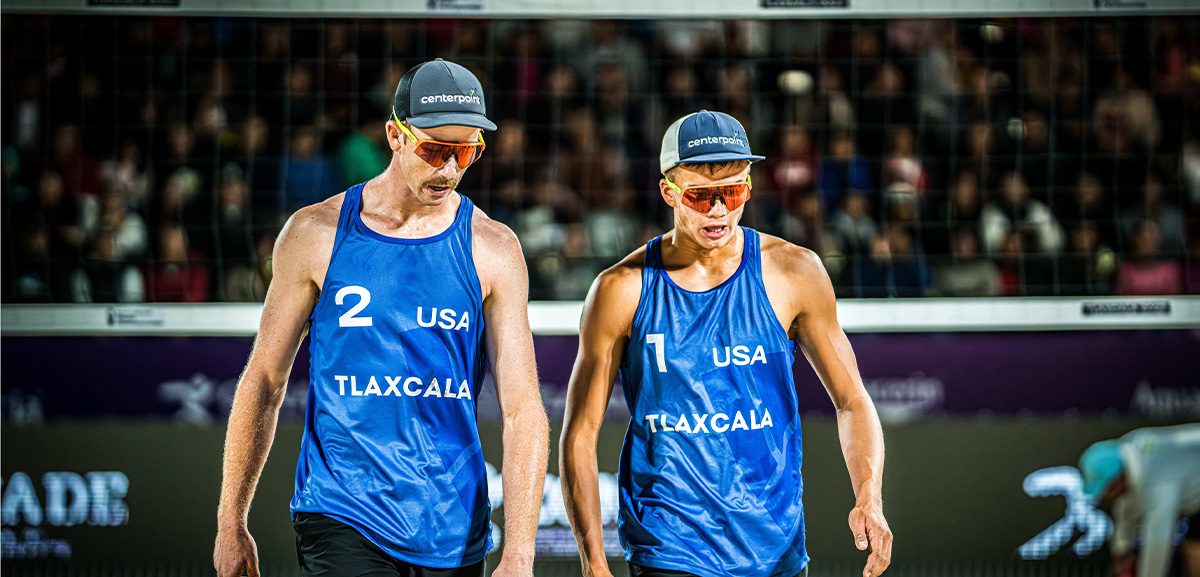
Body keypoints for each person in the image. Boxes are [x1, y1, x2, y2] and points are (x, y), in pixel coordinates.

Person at [213, 58, 549, 577]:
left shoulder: (494, 249)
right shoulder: (315, 234)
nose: (450, 169)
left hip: (451, 522)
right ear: (395, 135)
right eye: (436, 149)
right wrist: (230, 522)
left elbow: (525, 407)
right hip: (341, 511)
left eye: (467, 151)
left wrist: (521, 552)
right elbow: (263, 380)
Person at [559, 110, 892, 577]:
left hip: (773, 548)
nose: (719, 210)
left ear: (750, 188)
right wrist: (594, 564)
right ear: (669, 192)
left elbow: (853, 400)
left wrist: (869, 498)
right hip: (667, 546)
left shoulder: (795, 272)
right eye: (701, 195)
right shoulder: (621, 289)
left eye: (733, 192)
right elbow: (580, 433)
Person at [1079, 425, 1200, 577]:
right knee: (1195, 545)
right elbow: (1126, 509)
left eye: (1106, 490)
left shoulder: (1157, 485)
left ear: (1118, 480)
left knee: (1195, 549)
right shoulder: (1129, 451)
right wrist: (1122, 551)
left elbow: (1158, 544)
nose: (1105, 498)